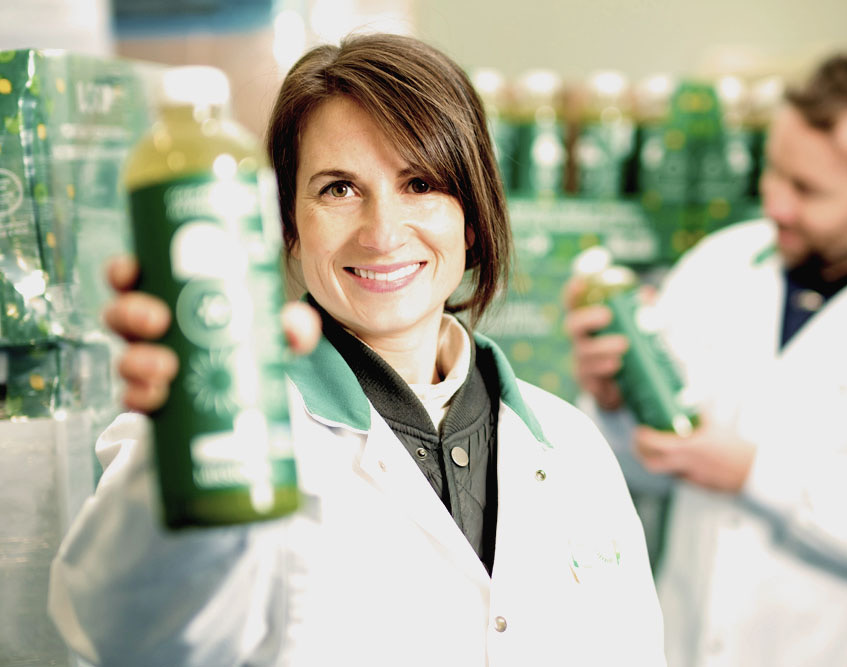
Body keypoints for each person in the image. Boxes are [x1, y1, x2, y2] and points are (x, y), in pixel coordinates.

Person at [47, 33, 666, 666]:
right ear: (288, 224)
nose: (382, 233)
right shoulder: (228, 434)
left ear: (472, 218)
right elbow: (120, 638)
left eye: (420, 183)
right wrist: (178, 447)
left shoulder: (573, 447)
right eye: (338, 189)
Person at [565, 49, 847, 667]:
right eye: (774, 173)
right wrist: (614, 402)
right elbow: (646, 473)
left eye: (807, 189)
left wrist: (752, 472)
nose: (776, 204)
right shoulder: (720, 265)